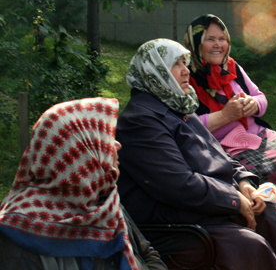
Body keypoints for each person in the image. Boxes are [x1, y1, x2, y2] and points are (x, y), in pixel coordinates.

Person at [116, 38, 276, 270]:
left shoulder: (176, 105)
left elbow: (215, 150)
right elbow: (179, 185)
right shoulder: (141, 121)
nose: (186, 71)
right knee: (249, 246)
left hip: (209, 204)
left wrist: (243, 181)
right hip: (179, 220)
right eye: (176, 64)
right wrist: (233, 200)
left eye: (185, 63)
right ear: (154, 72)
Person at [183, 14, 276, 239]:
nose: (218, 44)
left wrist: (253, 104)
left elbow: (261, 98)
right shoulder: (186, 76)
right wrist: (225, 115)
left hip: (255, 134)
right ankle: (267, 240)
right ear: (196, 42)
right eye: (210, 39)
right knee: (262, 174)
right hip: (219, 146)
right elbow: (187, 125)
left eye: (222, 38)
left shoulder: (232, 67)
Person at [0, 97, 167, 270]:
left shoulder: (104, 201)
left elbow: (147, 254)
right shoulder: (18, 231)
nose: (117, 145)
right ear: (78, 152)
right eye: (104, 138)